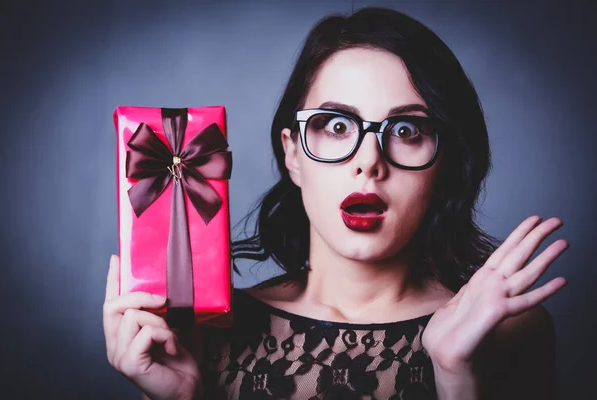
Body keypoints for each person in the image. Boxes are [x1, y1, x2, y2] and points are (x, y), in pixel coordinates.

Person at [103, 7, 568, 400]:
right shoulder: (202, 335)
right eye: (337, 126)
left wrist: (457, 379)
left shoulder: (507, 332)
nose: (368, 163)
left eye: (406, 131)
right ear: (292, 154)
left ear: (444, 162)